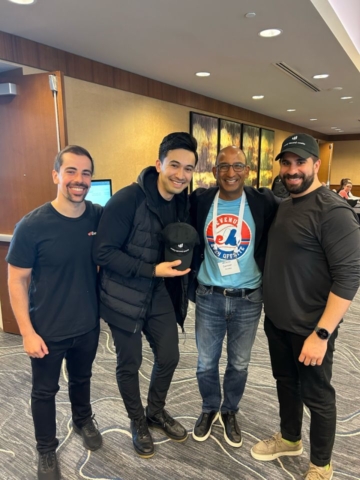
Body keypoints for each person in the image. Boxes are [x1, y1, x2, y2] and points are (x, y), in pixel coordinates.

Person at [250, 133, 360, 480]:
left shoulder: (333, 212)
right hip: (279, 323)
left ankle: (322, 465)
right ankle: (289, 438)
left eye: (300, 162)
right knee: (286, 384)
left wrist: (322, 333)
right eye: (287, 163)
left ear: (316, 164)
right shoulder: (285, 206)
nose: (292, 169)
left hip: (312, 328)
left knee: (318, 395)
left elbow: (349, 276)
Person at [93, 132, 198, 459]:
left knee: (169, 356)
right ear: (159, 164)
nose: (181, 174)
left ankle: (155, 411)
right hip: (122, 296)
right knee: (130, 362)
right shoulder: (127, 200)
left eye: (189, 168)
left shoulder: (181, 201)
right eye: (175, 165)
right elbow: (103, 253)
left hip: (157, 294)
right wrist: (152, 270)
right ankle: (137, 421)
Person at [6, 146, 103, 480]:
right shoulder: (32, 225)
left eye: (86, 173)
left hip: (88, 325)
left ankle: (83, 419)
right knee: (44, 393)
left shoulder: (98, 217)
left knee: (82, 379)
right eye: (71, 171)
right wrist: (27, 332)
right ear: (56, 175)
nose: (79, 180)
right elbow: (16, 280)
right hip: (46, 329)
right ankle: (46, 450)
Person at [189, 146, 278, 447]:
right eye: (223, 167)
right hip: (209, 296)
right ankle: (209, 407)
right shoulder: (200, 201)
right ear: (214, 171)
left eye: (237, 166)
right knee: (205, 362)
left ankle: (230, 411)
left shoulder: (263, 202)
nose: (230, 173)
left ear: (247, 171)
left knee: (239, 363)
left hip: (249, 298)